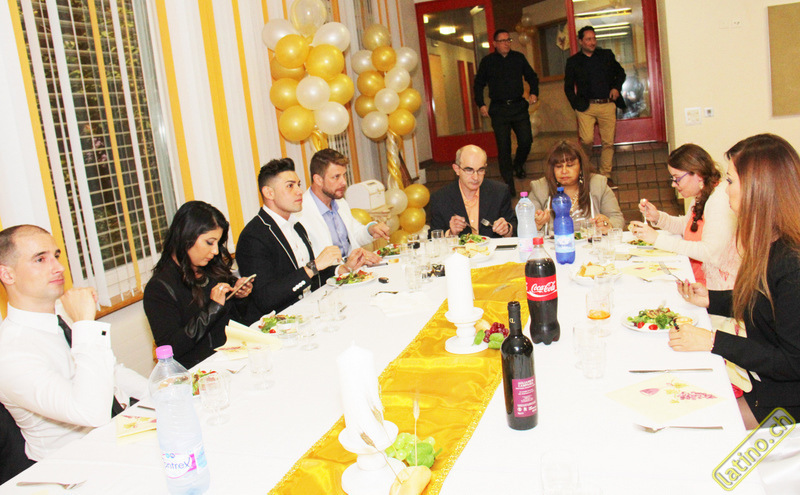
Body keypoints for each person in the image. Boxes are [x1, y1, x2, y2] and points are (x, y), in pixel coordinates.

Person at [669, 134, 800, 426]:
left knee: (695, 423)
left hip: (786, 401)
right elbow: (765, 303)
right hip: (768, 386)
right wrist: (712, 299)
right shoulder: (769, 241)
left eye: (730, 181)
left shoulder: (792, 263)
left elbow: (793, 362)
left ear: (758, 188)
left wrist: (713, 341)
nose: (725, 189)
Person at [0, 225, 147, 461]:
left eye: (56, 256)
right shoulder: (10, 351)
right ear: (7, 274)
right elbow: (90, 412)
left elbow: (111, 372)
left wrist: (160, 392)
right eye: (40, 259)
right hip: (74, 463)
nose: (58, 267)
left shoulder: (62, 314)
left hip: (119, 433)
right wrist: (85, 324)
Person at [237, 158, 366, 322]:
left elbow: (310, 277)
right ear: (269, 193)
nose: (299, 191)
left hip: (311, 312)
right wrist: (313, 266)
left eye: (298, 185)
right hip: (281, 324)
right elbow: (265, 298)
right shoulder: (253, 236)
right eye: (290, 186)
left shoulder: (296, 226)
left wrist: (343, 268)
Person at [143, 201, 253, 369]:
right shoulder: (159, 288)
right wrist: (213, 308)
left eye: (217, 243)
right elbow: (173, 349)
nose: (215, 251)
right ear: (187, 237)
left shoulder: (212, 269)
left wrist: (240, 296)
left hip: (232, 359)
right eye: (209, 242)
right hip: (199, 372)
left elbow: (238, 320)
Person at [631, 144, 739, 291]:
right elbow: (687, 226)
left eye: (677, 178)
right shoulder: (703, 193)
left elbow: (710, 253)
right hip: (701, 279)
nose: (673, 184)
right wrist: (657, 217)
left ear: (698, 174)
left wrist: (658, 239)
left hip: (718, 289)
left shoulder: (719, 199)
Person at [474, 29, 539, 195]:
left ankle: (518, 164)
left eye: (508, 40)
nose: (506, 43)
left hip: (518, 106)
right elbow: (478, 84)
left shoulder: (518, 58)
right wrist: (481, 104)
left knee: (526, 140)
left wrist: (534, 92)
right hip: (499, 109)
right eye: (502, 41)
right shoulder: (488, 61)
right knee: (504, 147)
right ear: (494, 44)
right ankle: (509, 184)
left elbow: (532, 76)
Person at [295, 148, 388, 259]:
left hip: (353, 268)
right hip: (331, 270)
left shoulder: (340, 202)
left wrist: (370, 230)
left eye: (344, 175)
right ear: (318, 180)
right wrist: (344, 266)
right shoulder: (300, 213)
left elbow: (353, 235)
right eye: (336, 177)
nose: (344, 182)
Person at [564, 25, 627, 181]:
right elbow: (568, 87)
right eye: (588, 39)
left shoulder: (606, 55)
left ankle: (605, 175)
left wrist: (616, 88)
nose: (592, 42)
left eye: (594, 38)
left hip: (607, 104)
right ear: (581, 41)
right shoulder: (573, 62)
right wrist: (576, 104)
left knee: (608, 142)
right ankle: (586, 170)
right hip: (586, 107)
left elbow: (620, 73)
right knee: (586, 140)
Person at [528, 140, 624, 234]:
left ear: (581, 167)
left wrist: (608, 224)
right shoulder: (540, 188)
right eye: (559, 166)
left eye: (570, 165)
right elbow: (526, 225)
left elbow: (617, 218)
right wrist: (537, 224)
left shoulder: (598, 184)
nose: (564, 171)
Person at [428, 144, 515, 238]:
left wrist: (507, 230)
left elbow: (515, 226)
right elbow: (433, 237)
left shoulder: (499, 192)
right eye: (469, 170)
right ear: (457, 169)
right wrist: (451, 234)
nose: (476, 177)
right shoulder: (440, 198)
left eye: (481, 170)